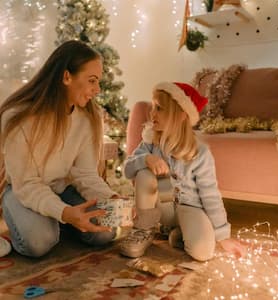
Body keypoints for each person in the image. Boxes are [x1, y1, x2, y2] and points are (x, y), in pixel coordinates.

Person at [0, 40, 120, 258]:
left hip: (62, 190)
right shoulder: (18, 118)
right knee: (39, 242)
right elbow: (26, 183)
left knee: (106, 231)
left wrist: (112, 198)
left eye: (98, 81)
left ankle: (60, 221)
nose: (98, 89)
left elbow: (85, 174)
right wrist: (65, 212)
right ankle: (53, 222)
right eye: (92, 81)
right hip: (22, 191)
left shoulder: (88, 118)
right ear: (66, 77)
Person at [120, 82, 245, 261]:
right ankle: (143, 230)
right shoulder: (149, 142)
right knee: (144, 173)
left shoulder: (200, 152)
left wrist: (223, 235)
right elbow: (127, 169)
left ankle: (178, 233)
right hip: (161, 205)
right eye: (153, 106)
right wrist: (146, 159)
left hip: (189, 208)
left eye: (159, 108)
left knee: (203, 253)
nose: (152, 113)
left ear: (181, 116)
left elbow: (210, 195)